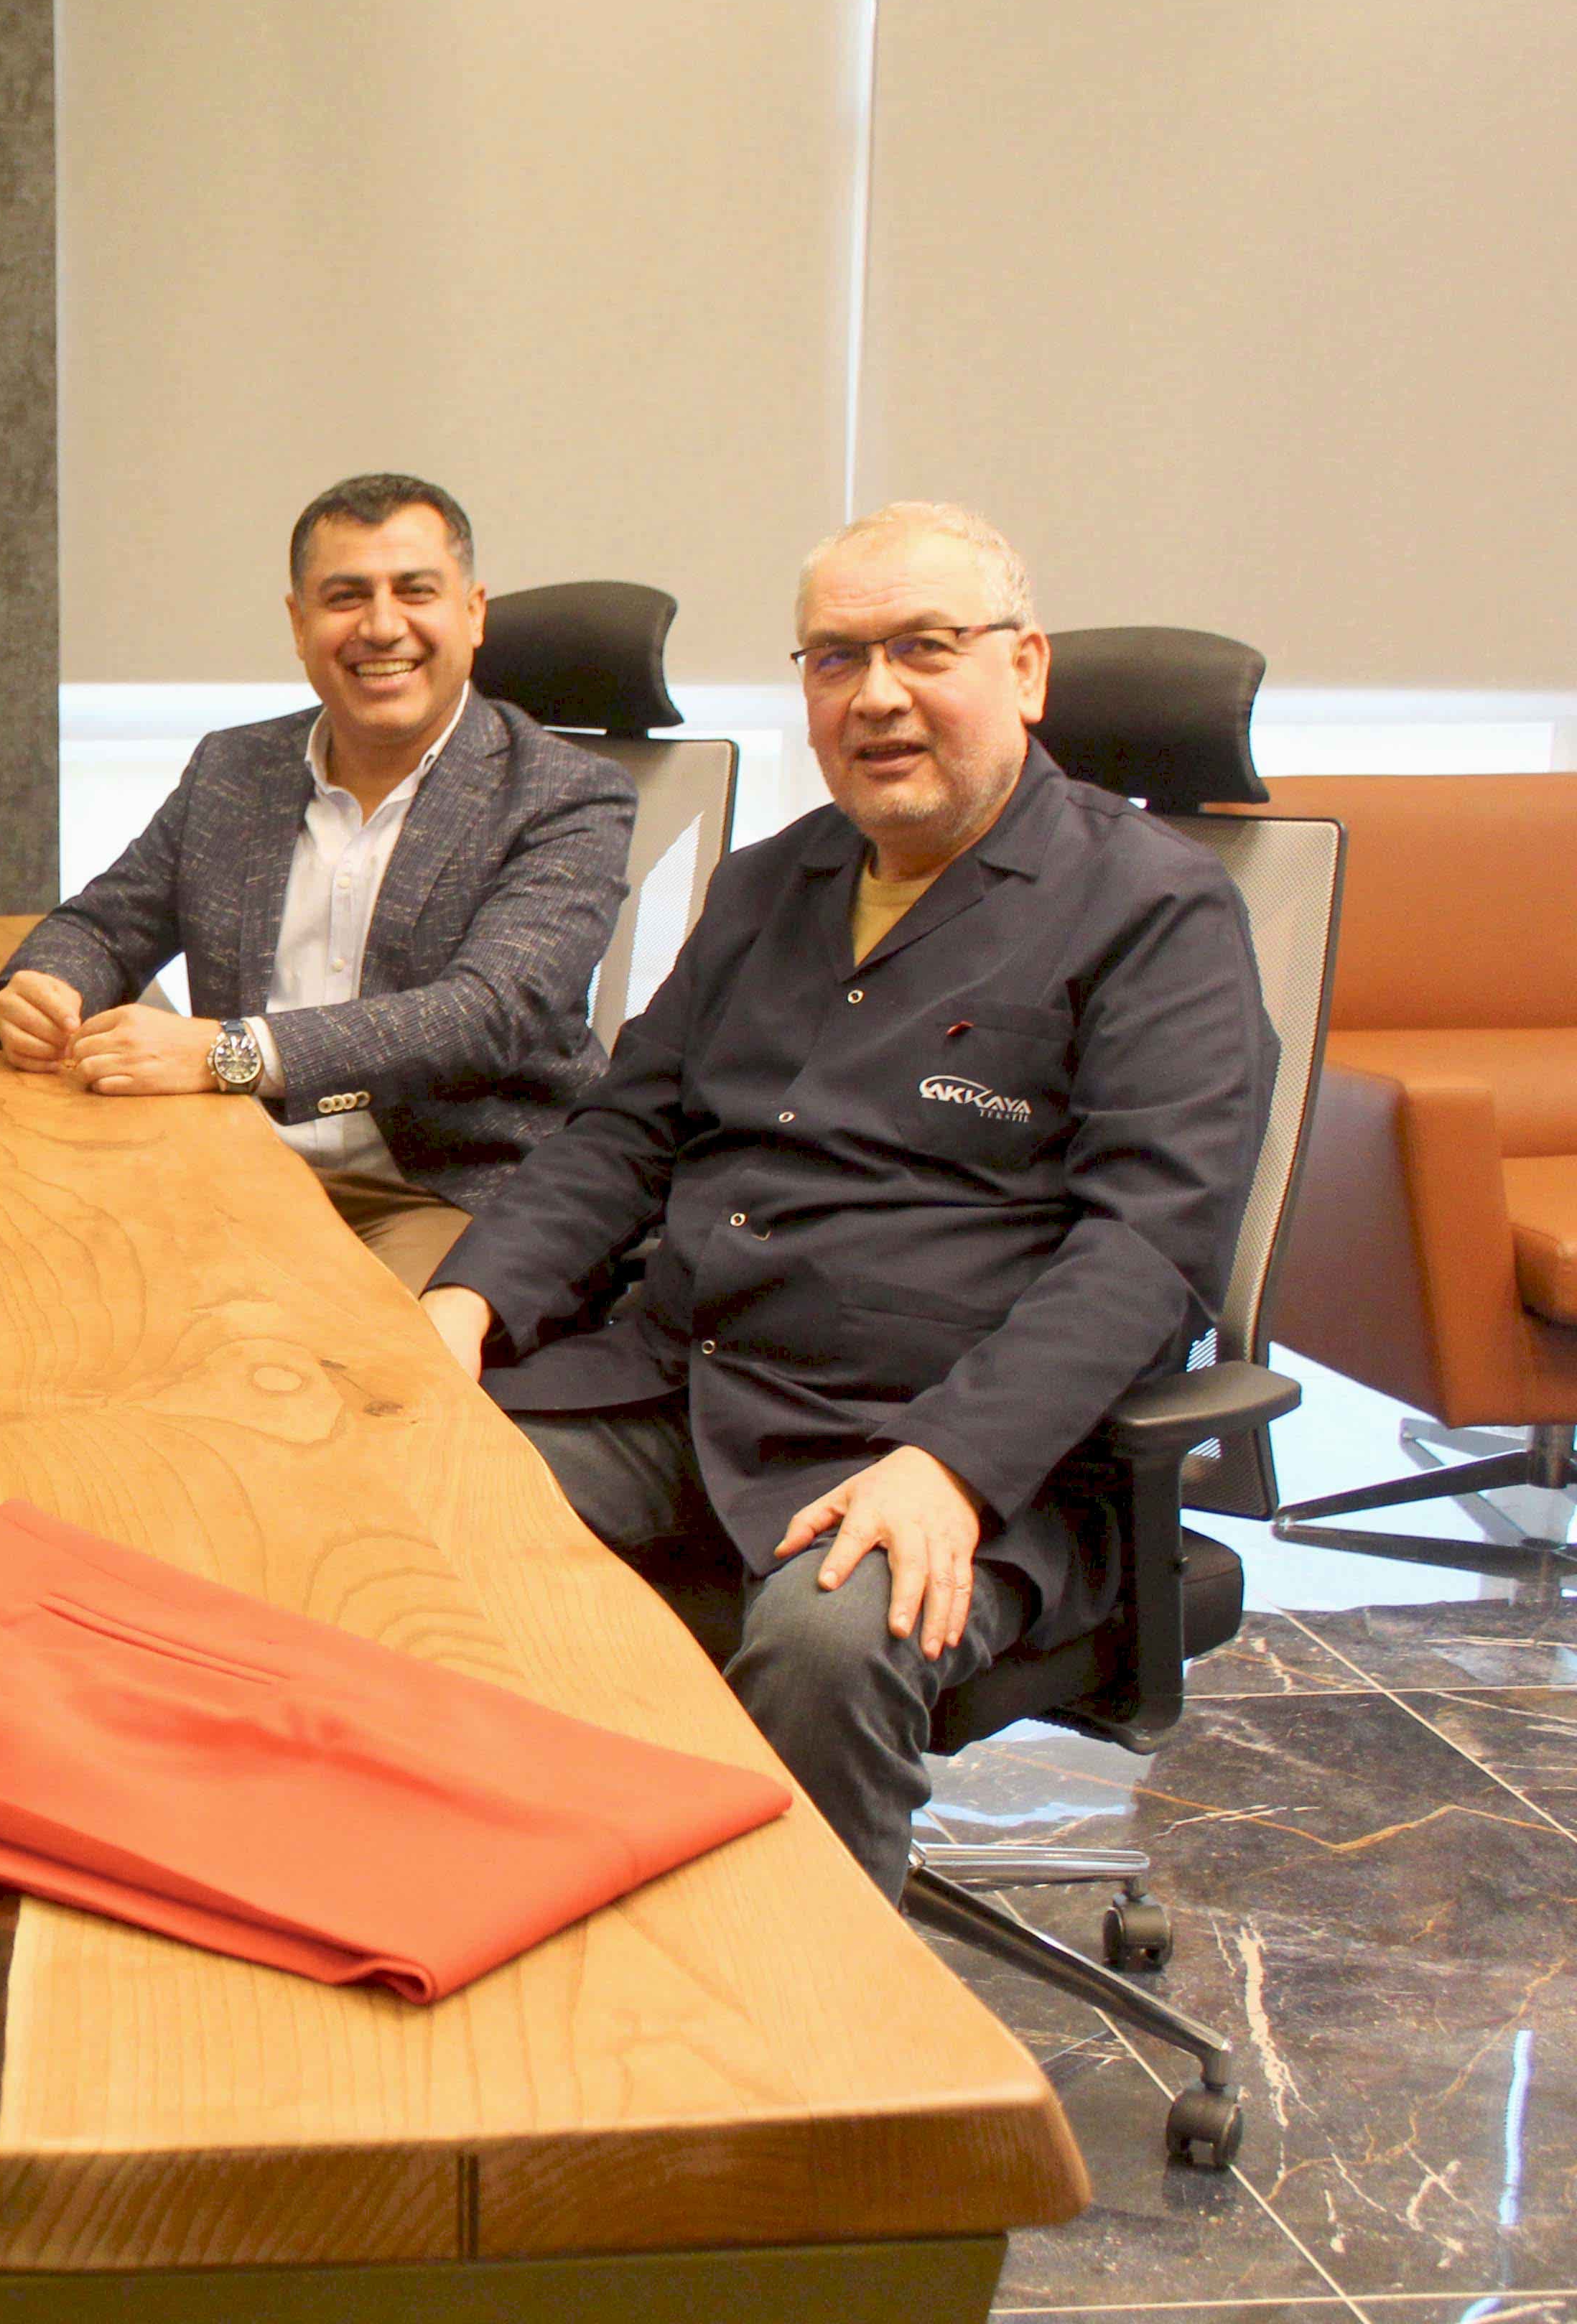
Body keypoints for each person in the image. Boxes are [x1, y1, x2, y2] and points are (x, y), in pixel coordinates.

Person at [419, 503, 1273, 1897]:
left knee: (827, 1640)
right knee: (397, 1500)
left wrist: (953, 1465)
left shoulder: (1152, 910)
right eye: (835, 658)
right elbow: (622, 1133)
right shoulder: (774, 882)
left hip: (948, 1441)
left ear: (1024, 670)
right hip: (685, 1387)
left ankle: (812, 2021)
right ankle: (513, 1918)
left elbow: (1147, 1246)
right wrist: (466, 1303)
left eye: (923, 647)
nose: (874, 695)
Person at [0, 473, 636, 1290]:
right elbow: (106, 926)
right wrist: (44, 988)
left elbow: (490, 1013)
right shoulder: (235, 767)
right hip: (230, 1164)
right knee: (32, 1276)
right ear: (298, 624)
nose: (382, 626)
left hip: (448, 1193)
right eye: (346, 596)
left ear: (473, 613)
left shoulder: (567, 794)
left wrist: (228, 1053)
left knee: (340, 1350)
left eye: (415, 591)